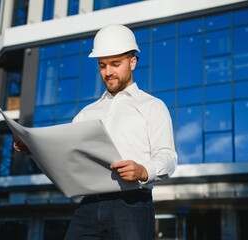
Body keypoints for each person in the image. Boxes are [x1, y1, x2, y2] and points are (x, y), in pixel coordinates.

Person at [14, 24, 177, 240]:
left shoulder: (153, 106)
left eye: (115, 64)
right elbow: (64, 160)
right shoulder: (86, 114)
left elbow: (168, 156)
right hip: (88, 207)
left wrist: (144, 170)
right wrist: (32, 149)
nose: (108, 72)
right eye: (102, 65)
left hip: (132, 206)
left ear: (133, 62)